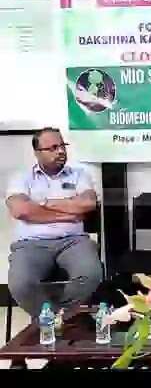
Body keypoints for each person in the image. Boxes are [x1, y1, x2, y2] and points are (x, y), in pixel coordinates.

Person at [5, 127, 102, 318]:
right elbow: (20, 210)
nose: (60, 151)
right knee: (21, 284)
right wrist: (69, 212)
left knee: (90, 274)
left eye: (62, 146)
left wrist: (42, 205)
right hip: (31, 244)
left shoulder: (79, 175)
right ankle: (55, 319)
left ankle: (57, 318)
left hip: (73, 241)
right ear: (37, 152)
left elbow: (88, 204)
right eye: (53, 148)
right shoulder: (21, 178)